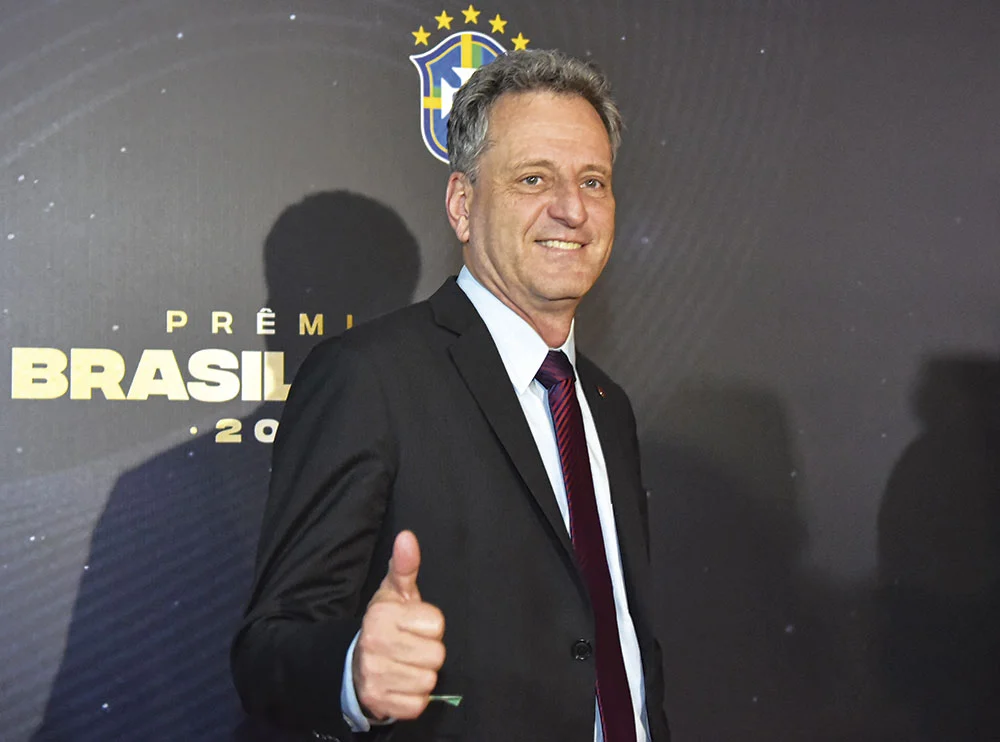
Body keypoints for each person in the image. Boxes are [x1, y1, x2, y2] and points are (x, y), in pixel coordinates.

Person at [231, 49, 670, 742]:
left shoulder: (607, 406)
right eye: (534, 178)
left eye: (595, 180)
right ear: (463, 206)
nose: (572, 209)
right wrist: (353, 673)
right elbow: (269, 651)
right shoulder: (368, 378)